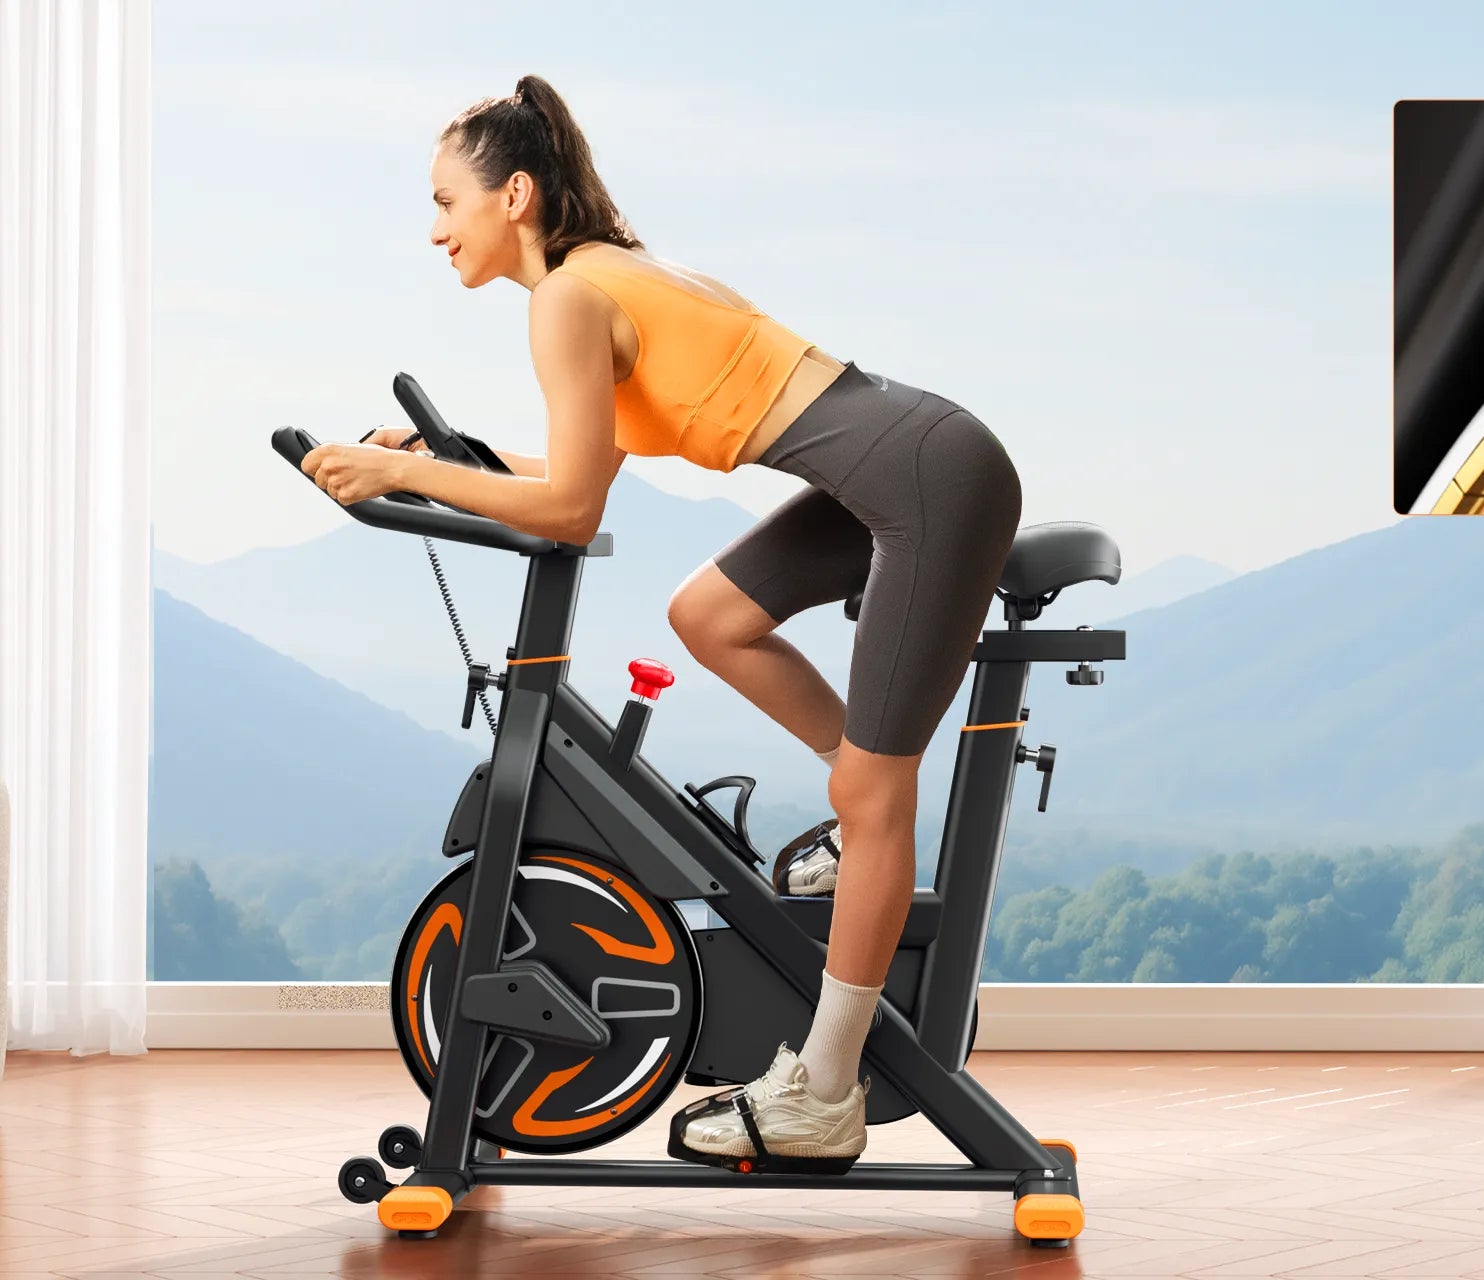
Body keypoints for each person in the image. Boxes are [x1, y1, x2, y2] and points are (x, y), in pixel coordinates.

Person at [299, 75, 1023, 1172]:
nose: (433, 226)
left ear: (516, 197)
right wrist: (439, 459)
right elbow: (587, 462)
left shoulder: (567, 299)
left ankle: (825, 1087)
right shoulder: (602, 276)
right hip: (911, 458)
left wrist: (412, 477)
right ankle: (846, 825)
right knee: (710, 612)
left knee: (877, 796)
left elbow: (573, 507)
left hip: (928, 483)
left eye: (446, 200)